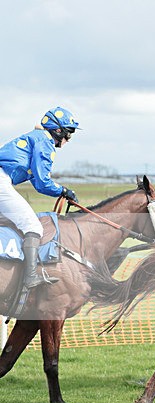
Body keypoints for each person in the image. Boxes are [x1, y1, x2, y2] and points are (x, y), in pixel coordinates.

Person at [0, 106, 80, 288]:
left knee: (12, 224)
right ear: (58, 130)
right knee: (32, 225)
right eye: (69, 134)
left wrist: (60, 190)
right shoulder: (45, 142)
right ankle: (29, 277)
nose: (68, 139)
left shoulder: (36, 138)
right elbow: (44, 182)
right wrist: (63, 191)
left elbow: (37, 183)